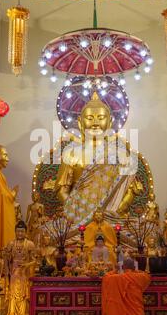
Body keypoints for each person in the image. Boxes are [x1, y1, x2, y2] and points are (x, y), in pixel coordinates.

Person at [55, 92, 143, 227]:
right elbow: (62, 191)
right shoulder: (70, 154)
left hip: (111, 219)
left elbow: (130, 190)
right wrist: (76, 214)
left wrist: (114, 211)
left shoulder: (121, 154)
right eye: (89, 118)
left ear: (110, 122)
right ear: (80, 122)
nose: (95, 123)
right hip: (79, 218)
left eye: (101, 118)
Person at [4, 221, 36, 315]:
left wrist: (27, 265)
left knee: (24, 293)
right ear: (15, 232)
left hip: (24, 273)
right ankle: (12, 314)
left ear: (26, 232)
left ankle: (24, 314)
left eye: (22, 231)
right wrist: (6, 258)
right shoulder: (11, 244)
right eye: (18, 231)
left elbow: (35, 260)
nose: (20, 234)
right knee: (13, 293)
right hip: (14, 273)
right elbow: (6, 260)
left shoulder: (30, 244)